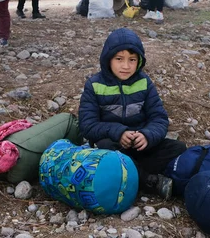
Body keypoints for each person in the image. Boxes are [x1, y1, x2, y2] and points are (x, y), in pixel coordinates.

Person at [78, 28, 186, 200]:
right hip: (113, 146)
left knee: (177, 147)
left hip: (139, 146)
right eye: (119, 59)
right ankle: (150, 181)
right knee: (105, 148)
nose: (126, 66)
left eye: (132, 59)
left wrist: (147, 135)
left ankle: (131, 174)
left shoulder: (144, 83)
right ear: (108, 59)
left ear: (139, 61)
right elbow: (87, 126)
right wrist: (118, 132)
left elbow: (159, 118)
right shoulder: (94, 85)